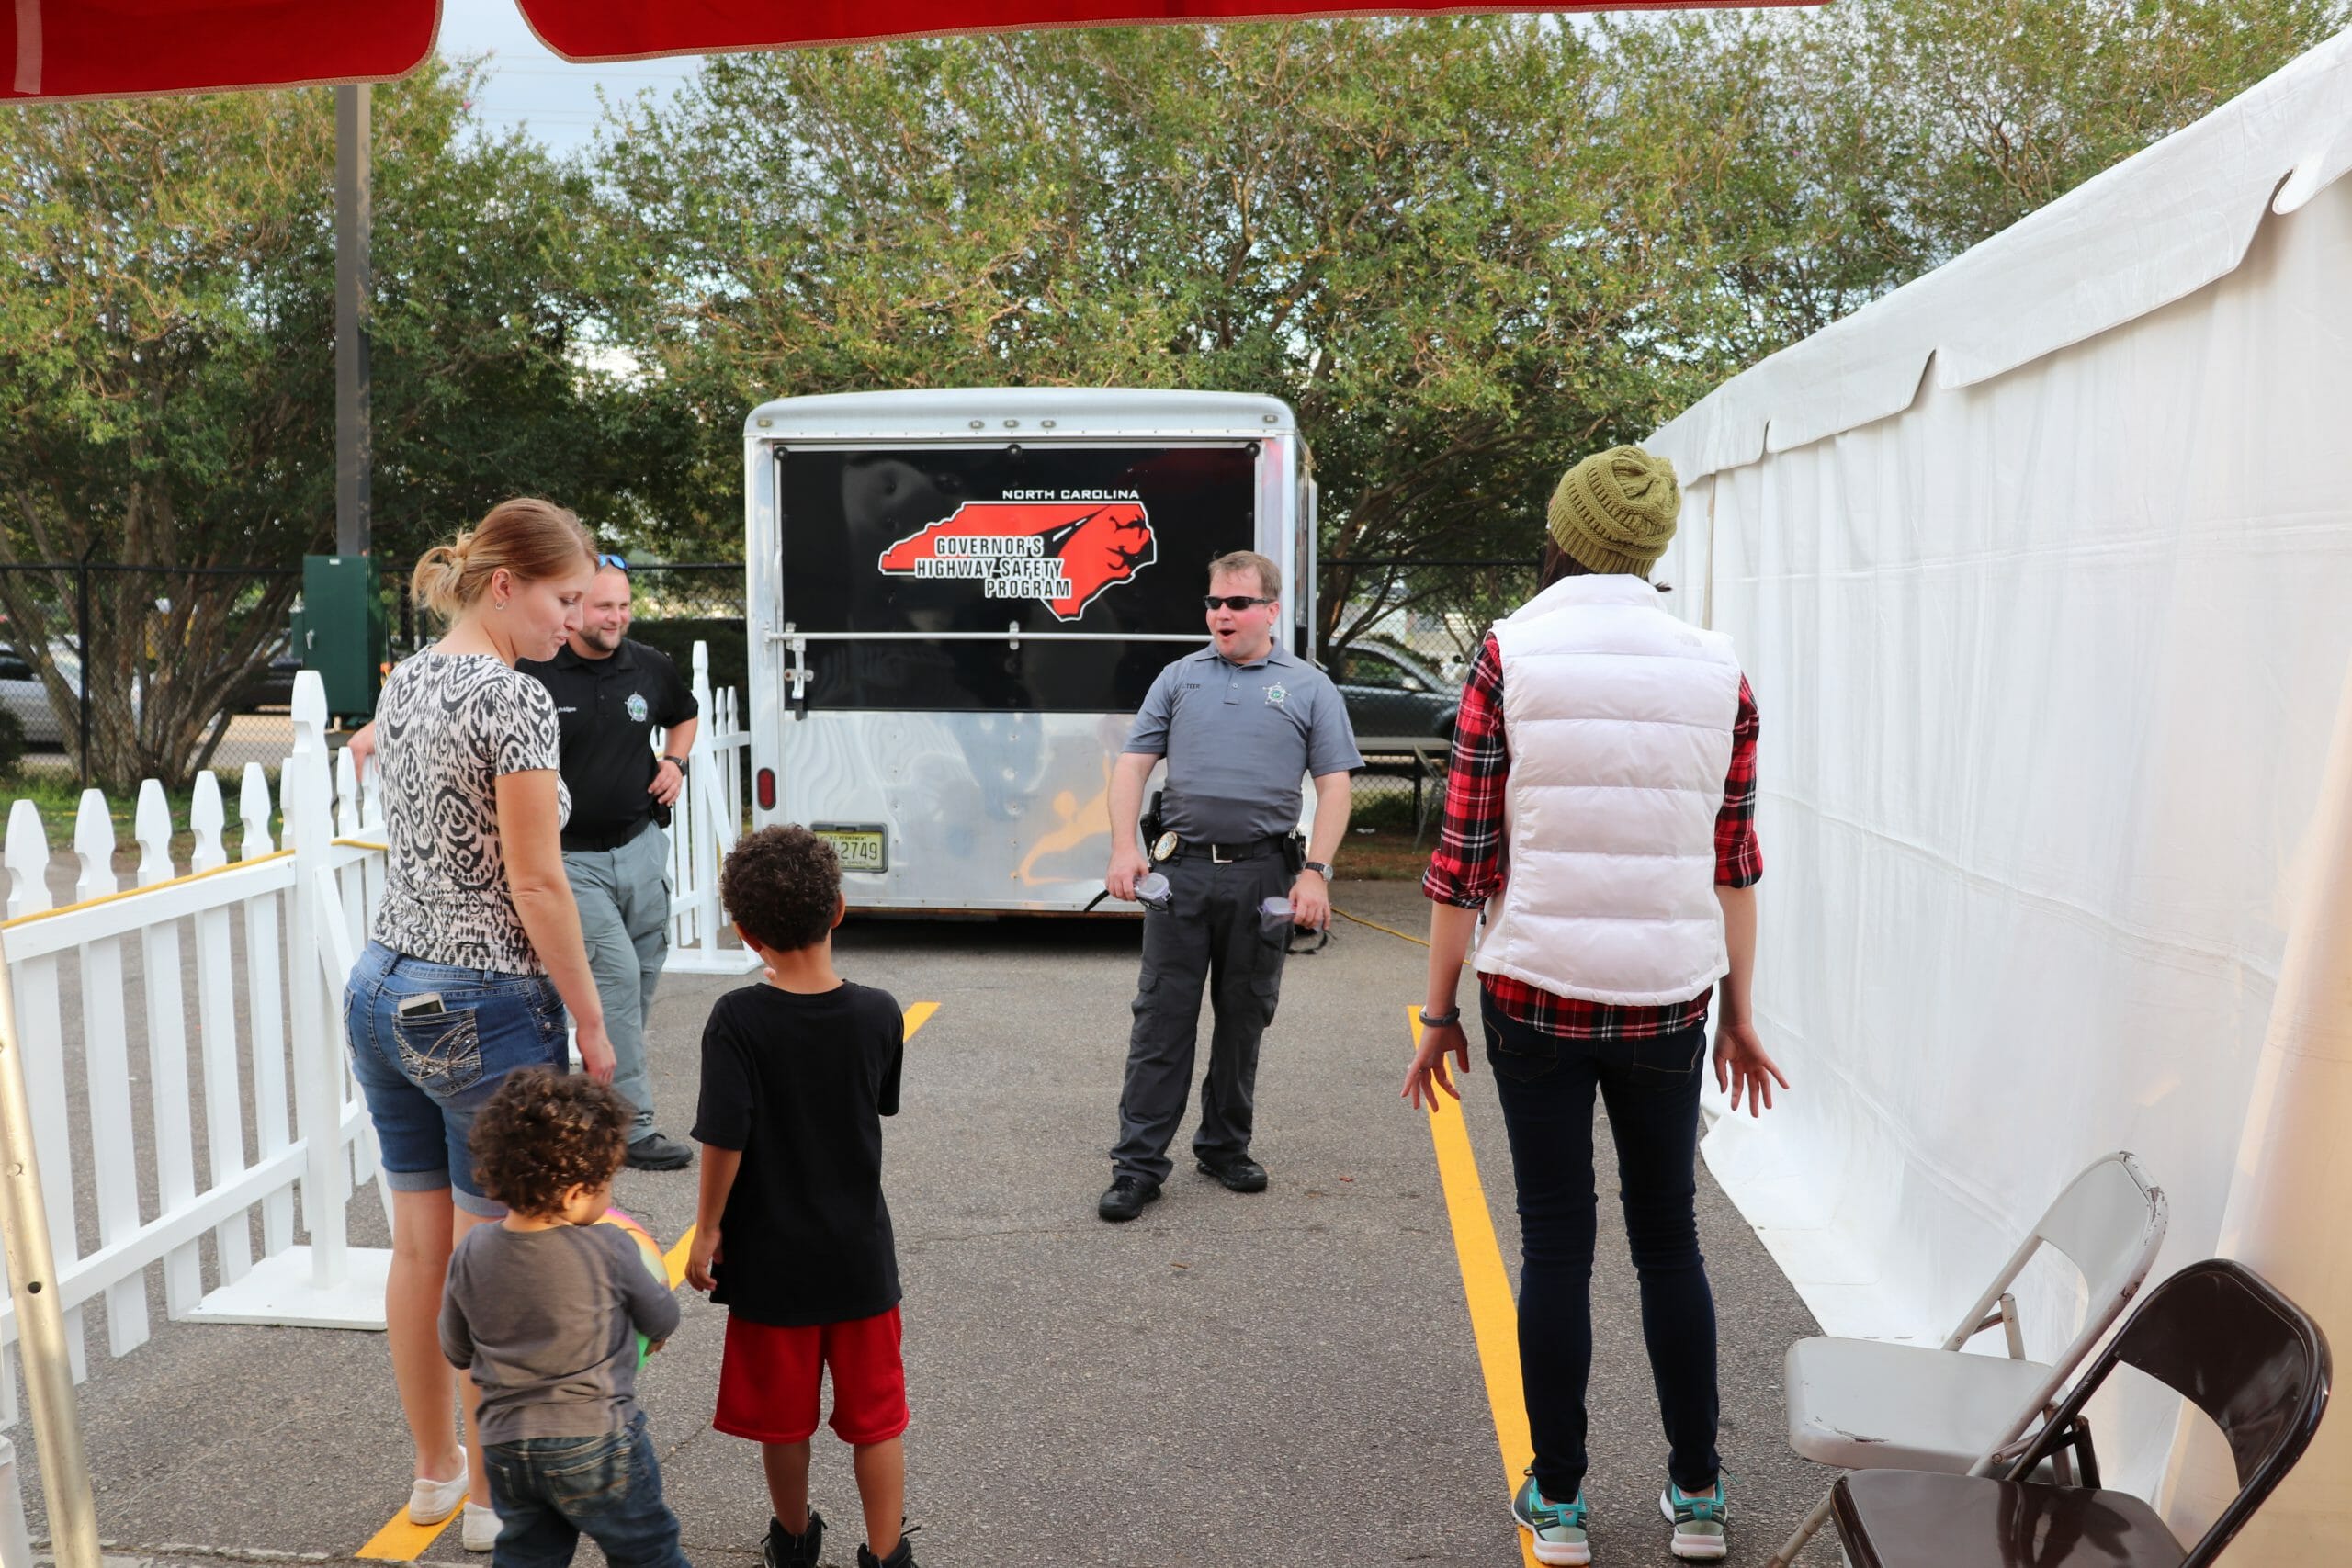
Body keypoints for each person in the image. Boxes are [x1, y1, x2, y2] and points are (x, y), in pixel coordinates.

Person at [1403, 446, 1789, 1566]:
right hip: (1668, 997)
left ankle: (1562, 1501)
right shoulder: (1719, 669)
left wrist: (1437, 1013)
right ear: (1649, 545)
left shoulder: (1508, 654)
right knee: (1670, 1240)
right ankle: (1698, 1493)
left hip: (1535, 992)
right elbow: (1733, 866)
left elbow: (1463, 860)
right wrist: (1740, 1011)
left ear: (1563, 533)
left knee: (1556, 1242)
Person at [342, 498, 616, 1552]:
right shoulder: (515, 699)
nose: (572, 620)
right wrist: (590, 1022)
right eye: (562, 599)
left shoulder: (406, 682)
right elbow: (537, 883)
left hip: (383, 982)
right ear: (505, 585)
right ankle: (499, 1498)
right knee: (491, 1259)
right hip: (480, 997)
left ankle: (435, 1472)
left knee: (419, 1251)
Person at [1099, 550, 1363, 1223]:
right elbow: (1131, 766)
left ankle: (1223, 1146)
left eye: (1238, 603)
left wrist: (1316, 872)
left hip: (1264, 875)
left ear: (1271, 611)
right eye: (1215, 602)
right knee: (1161, 1020)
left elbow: (1335, 787)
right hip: (1180, 873)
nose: (1222, 613)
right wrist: (1125, 848)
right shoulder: (1178, 678)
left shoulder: (1308, 688)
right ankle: (1137, 1166)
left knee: (1244, 1018)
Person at [685, 827, 916, 1568]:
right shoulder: (880, 1012)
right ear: (838, 909)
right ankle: (887, 1553)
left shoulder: (737, 1019)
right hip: (859, 1258)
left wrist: (707, 1228)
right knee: (876, 1418)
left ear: (745, 932)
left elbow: (725, 1136)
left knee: (783, 1420)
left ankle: (793, 1538)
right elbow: (878, 1102)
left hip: (770, 1259)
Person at [440, 1068, 687, 1568]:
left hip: (507, 1446)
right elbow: (662, 1318)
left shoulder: (472, 1249)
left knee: (529, 1555)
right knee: (648, 1552)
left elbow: (456, 1349)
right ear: (575, 1192)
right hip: (597, 1439)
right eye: (606, 1182)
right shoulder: (609, 1247)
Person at [517, 555, 701, 1171]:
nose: (616, 617)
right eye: (603, 606)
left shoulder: (648, 666)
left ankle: (595, 1094)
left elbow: (685, 713)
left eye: (624, 606)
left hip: (642, 845)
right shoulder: (534, 668)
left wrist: (675, 762)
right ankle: (630, 1127)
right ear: (575, 609)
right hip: (572, 859)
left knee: (643, 971)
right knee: (617, 978)